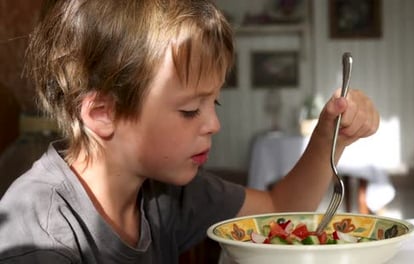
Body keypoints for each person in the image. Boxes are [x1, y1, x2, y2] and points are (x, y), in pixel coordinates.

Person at [0, 0, 379, 263]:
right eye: (188, 110)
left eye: (213, 103)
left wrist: (333, 134)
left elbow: (281, 208)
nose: (213, 124)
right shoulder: (39, 234)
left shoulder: (166, 192)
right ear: (102, 113)